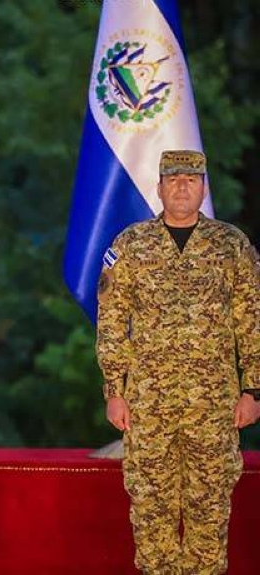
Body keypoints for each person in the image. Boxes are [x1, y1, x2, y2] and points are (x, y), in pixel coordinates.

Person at [97, 150, 260, 574]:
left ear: (204, 188)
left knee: (210, 507)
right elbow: (112, 321)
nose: (183, 187)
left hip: (215, 405)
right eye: (173, 180)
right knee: (152, 510)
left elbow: (252, 317)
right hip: (150, 405)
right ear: (159, 188)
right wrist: (115, 391)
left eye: (191, 179)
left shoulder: (231, 245)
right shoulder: (131, 245)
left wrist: (253, 388)